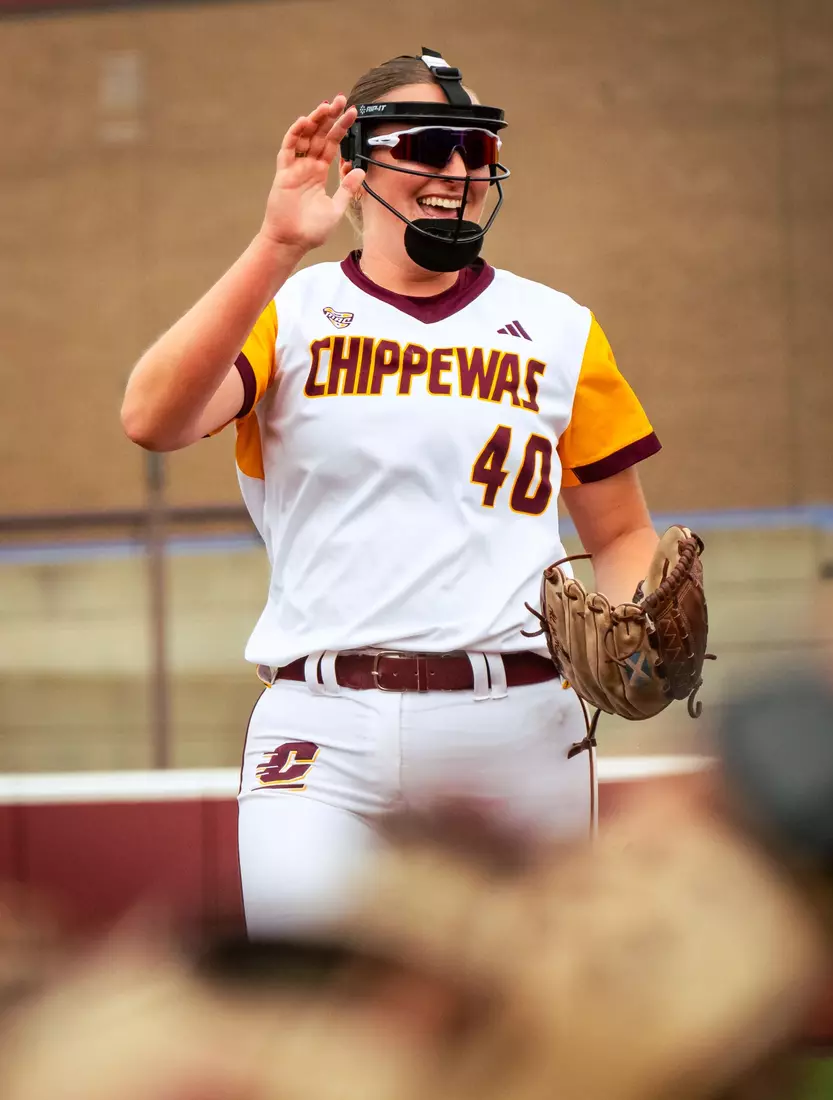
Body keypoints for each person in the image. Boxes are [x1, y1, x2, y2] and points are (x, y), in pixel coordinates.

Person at [121, 48, 663, 935]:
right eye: (430, 147)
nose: (457, 171)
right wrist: (275, 245)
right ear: (358, 164)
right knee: (312, 1023)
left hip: (518, 718)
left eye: (477, 152)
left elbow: (621, 534)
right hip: (320, 722)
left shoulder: (562, 328)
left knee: (524, 1033)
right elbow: (152, 416)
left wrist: (635, 622)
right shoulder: (291, 309)